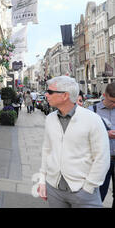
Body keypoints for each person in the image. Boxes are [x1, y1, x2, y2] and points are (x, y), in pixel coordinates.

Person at [37, 76, 110, 208]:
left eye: (50, 92)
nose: (46, 94)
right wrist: (43, 180)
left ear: (65, 95)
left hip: (83, 192)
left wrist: (89, 187)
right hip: (54, 189)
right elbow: (47, 150)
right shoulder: (50, 119)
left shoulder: (92, 119)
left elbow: (102, 157)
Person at [89, 83, 115, 208]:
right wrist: (105, 134)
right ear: (104, 95)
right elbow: (83, 136)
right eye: (112, 101)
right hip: (102, 160)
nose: (114, 105)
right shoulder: (92, 112)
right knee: (98, 195)